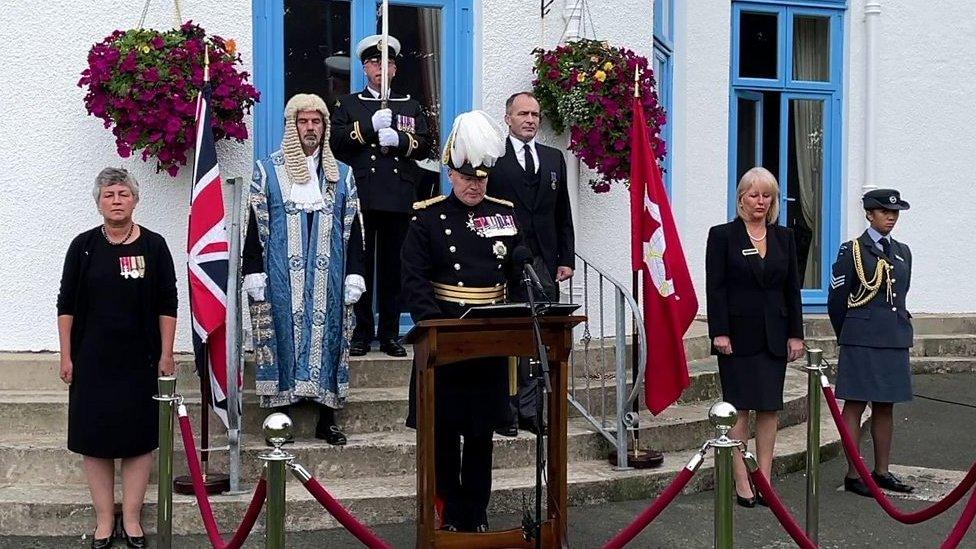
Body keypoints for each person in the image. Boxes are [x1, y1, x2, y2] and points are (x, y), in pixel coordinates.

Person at [401, 110, 525, 532]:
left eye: (482, 178)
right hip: (445, 337)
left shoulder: (504, 215)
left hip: (489, 338)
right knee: (443, 433)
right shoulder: (428, 217)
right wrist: (437, 328)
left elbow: (518, 272)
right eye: (467, 177)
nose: (475, 185)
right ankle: (446, 512)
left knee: (480, 435)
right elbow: (414, 281)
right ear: (450, 174)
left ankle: (476, 513)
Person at [57, 167, 177, 549]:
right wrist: (66, 355)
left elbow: (167, 302)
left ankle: (132, 520)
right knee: (94, 440)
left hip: (139, 359)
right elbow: (65, 304)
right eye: (109, 195)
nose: (116, 201)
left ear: (135, 199)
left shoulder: (154, 246)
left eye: (123, 193)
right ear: (98, 202)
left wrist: (167, 352)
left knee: (139, 440)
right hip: (91, 359)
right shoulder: (83, 246)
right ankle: (105, 521)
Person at [242, 93, 365, 446]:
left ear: (325, 127)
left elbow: (353, 225)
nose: (310, 128)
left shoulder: (341, 173)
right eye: (303, 121)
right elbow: (253, 222)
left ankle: (327, 417)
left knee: (329, 336)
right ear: (291, 126)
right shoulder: (267, 170)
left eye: (316, 121)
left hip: (331, 272)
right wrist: (253, 269)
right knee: (281, 333)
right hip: (280, 272)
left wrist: (356, 271)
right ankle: (280, 416)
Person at [705, 167, 804, 507]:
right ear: (741, 198)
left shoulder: (785, 238)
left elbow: (792, 290)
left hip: (774, 337)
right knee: (739, 410)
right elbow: (715, 288)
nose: (760, 201)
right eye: (754, 195)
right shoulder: (722, 236)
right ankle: (741, 478)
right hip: (736, 337)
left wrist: (796, 334)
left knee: (769, 409)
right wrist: (719, 331)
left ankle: (765, 477)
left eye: (767, 196)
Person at [330, 34, 433, 358]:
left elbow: (427, 145)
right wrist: (369, 127)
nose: (380, 68)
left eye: (386, 62)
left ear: (394, 69)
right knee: (360, 266)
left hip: (399, 197)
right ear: (364, 68)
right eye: (374, 62)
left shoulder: (409, 104)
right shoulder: (349, 104)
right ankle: (361, 333)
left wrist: (401, 140)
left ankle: (389, 333)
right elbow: (337, 144)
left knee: (393, 268)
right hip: (362, 195)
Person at [487, 91, 575, 437]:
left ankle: (531, 410)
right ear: (507, 118)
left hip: (543, 261)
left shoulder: (553, 158)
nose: (530, 120)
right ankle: (506, 412)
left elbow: (562, 212)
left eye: (535, 115)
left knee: (539, 338)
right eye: (522, 114)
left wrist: (565, 258)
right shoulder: (494, 158)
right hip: (505, 259)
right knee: (509, 337)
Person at [828, 188, 915, 497]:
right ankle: (854, 474)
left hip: (893, 338)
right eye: (883, 211)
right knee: (855, 405)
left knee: (885, 406)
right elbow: (837, 301)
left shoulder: (903, 251)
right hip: (861, 339)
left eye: (895, 212)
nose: (890, 216)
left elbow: (899, 298)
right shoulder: (851, 249)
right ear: (869, 214)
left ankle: (881, 470)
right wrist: (848, 336)